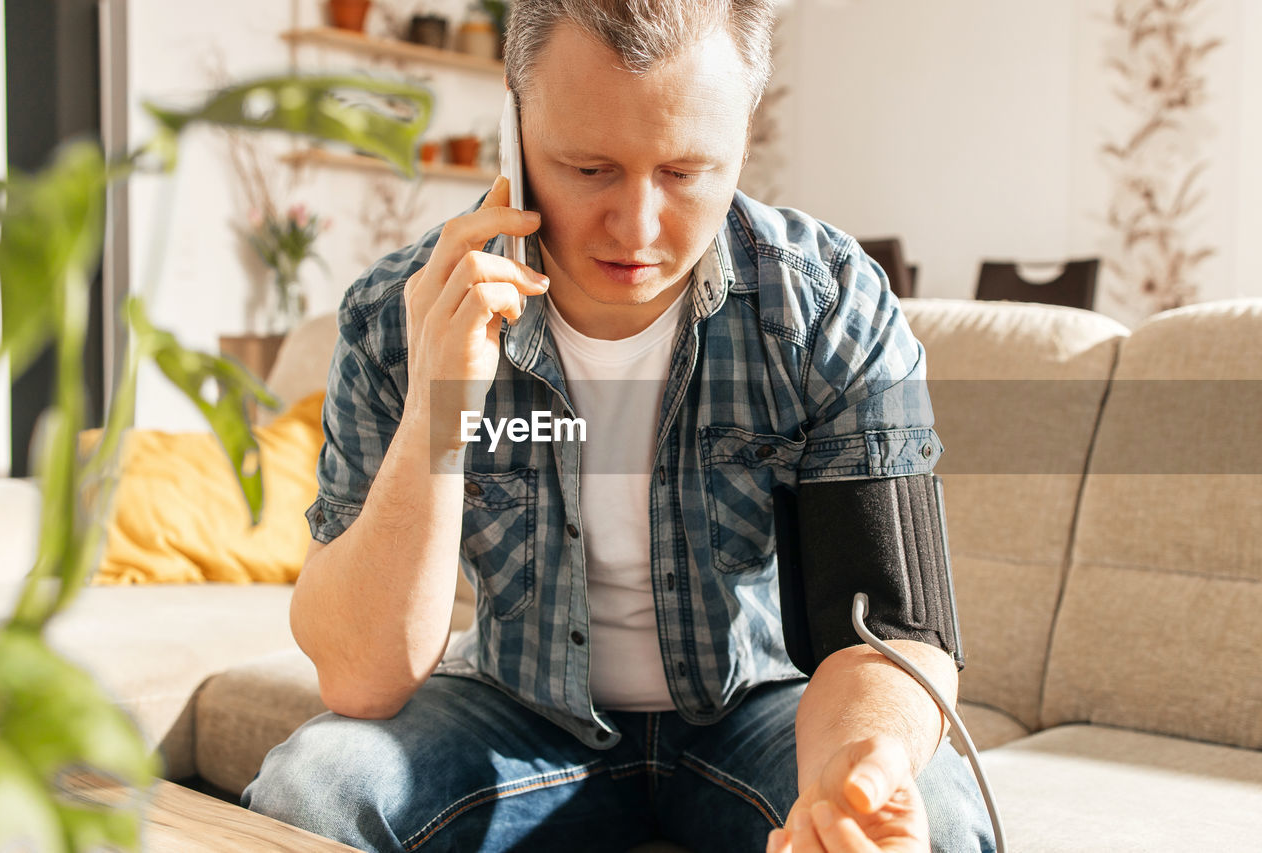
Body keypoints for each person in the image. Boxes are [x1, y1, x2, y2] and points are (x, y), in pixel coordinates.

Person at [242, 1, 995, 851]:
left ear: (744, 128)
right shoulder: (395, 314)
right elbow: (360, 675)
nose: (637, 230)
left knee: (936, 819)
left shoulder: (828, 306)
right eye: (589, 168)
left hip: (760, 709)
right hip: (514, 711)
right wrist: (439, 406)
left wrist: (857, 774)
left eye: (684, 172)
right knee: (311, 789)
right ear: (511, 124)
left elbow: (894, 625)